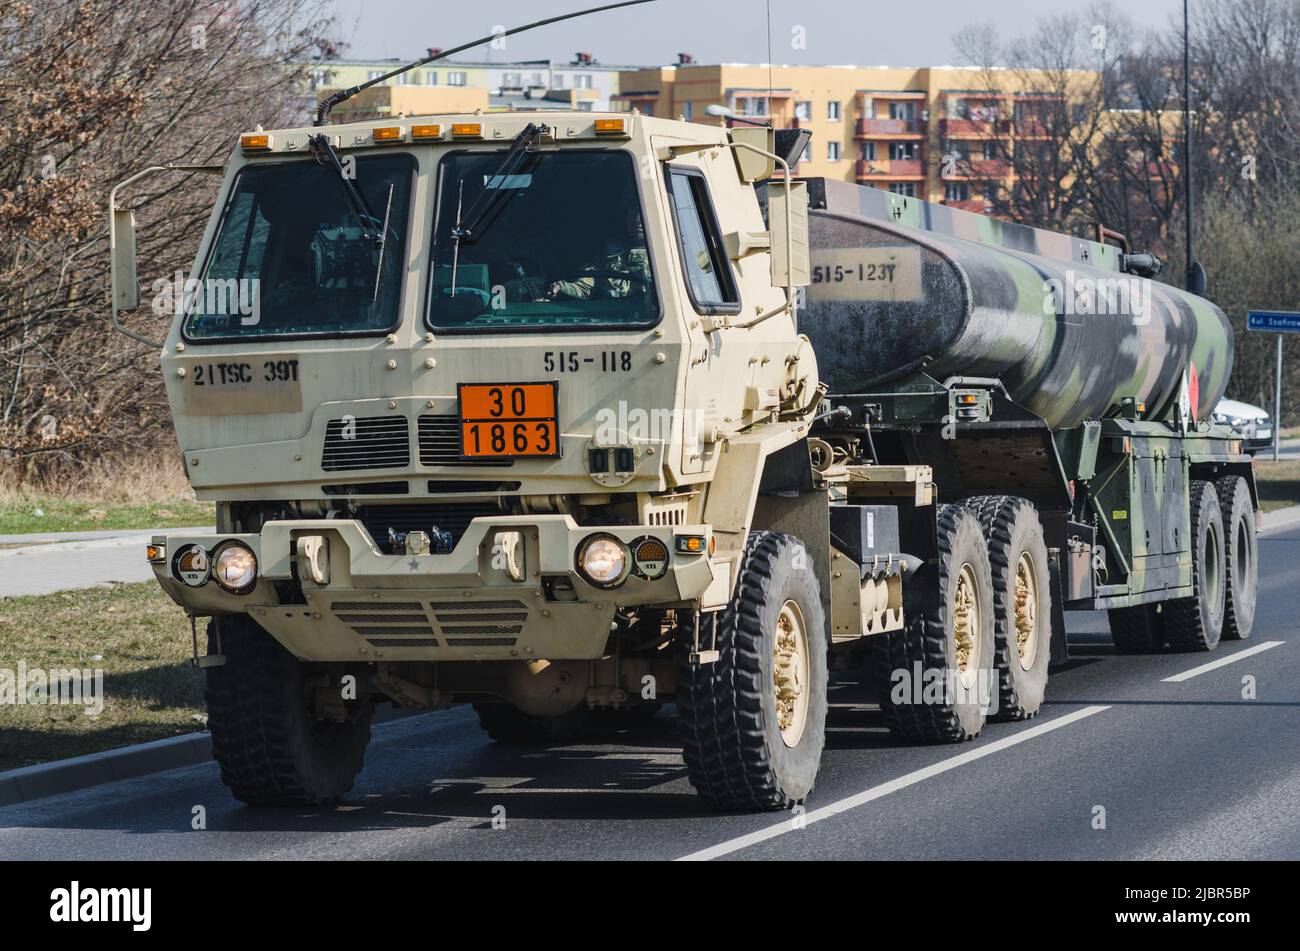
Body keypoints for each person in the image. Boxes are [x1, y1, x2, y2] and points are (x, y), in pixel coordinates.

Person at [544, 198, 650, 301]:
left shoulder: (664, 253)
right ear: (625, 217)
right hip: (613, 315)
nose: (637, 218)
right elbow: (585, 287)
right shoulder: (607, 252)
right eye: (633, 211)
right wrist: (561, 287)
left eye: (643, 211)